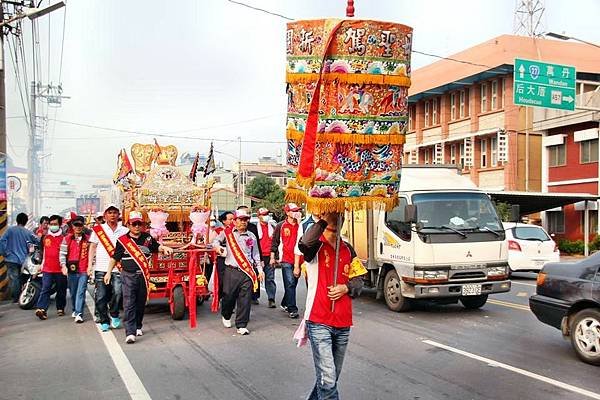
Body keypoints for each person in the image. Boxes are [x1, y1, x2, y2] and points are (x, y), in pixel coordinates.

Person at [297, 212, 367, 400]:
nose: (337, 218)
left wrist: (347, 287)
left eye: (339, 215)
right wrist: (324, 219)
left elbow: (360, 279)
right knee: (327, 380)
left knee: (329, 377)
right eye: (332, 215)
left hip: (343, 321)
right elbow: (304, 243)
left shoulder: (347, 249)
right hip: (319, 320)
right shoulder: (315, 247)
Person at [105, 211, 173, 344]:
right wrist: (108, 272)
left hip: (143, 275)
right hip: (128, 275)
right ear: (128, 225)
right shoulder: (123, 241)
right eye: (134, 224)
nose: (137, 226)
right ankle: (130, 332)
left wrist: (165, 248)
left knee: (140, 303)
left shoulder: (147, 238)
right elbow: (115, 258)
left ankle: (138, 325)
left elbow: (157, 247)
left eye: (139, 224)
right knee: (129, 303)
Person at [212, 209, 264, 335]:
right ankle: (226, 314)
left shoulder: (251, 236)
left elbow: (256, 254)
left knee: (245, 299)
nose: (243, 222)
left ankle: (241, 324)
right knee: (229, 296)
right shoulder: (227, 233)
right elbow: (215, 241)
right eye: (241, 219)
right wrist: (218, 248)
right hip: (231, 270)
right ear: (234, 221)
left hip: (247, 272)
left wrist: (260, 270)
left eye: (246, 219)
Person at [88, 204, 129, 332]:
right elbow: (92, 247)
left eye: (115, 212)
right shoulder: (98, 230)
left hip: (118, 268)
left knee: (118, 292)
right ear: (105, 215)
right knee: (101, 296)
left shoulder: (124, 231)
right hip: (101, 267)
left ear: (119, 215)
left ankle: (114, 313)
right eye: (109, 212)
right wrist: (90, 265)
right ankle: (104, 320)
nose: (112, 215)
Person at [271, 203, 303, 319]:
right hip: (286, 259)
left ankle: (285, 302)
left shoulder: (302, 225)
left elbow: (304, 238)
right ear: (287, 212)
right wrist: (272, 257)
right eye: (294, 211)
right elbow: (275, 242)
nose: (297, 213)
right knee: (289, 283)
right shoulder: (281, 226)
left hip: (299, 259)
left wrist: (300, 224)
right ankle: (292, 309)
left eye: (298, 210)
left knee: (293, 283)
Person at [0, 213, 39, 303]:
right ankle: (23, 295)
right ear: (25, 222)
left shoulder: (10, 230)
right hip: (24, 260)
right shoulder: (28, 232)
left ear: (17, 220)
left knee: (14, 279)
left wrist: (3, 253)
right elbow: (37, 240)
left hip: (11, 259)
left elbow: (1, 241)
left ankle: (16, 298)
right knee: (23, 278)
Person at [35, 215, 68, 320]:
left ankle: (60, 307)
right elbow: (42, 252)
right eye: (51, 224)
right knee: (45, 288)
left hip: (60, 268)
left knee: (61, 289)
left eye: (55, 224)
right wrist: (40, 265)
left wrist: (65, 266)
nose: (53, 226)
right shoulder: (45, 237)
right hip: (47, 268)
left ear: (60, 225)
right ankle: (42, 309)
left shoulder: (64, 238)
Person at [60, 215, 91, 323]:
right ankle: (75, 308)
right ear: (72, 226)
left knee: (80, 292)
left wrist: (90, 267)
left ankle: (79, 313)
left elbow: (92, 254)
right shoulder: (67, 238)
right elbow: (62, 254)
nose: (78, 227)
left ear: (83, 226)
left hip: (84, 270)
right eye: (76, 225)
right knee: (73, 292)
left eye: (80, 225)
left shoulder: (88, 239)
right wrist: (63, 266)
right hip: (71, 270)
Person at [237, 205, 263, 305]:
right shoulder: (232, 230)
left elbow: (256, 246)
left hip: (250, 258)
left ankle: (254, 296)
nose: (244, 220)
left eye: (246, 216)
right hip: (237, 259)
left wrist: (260, 260)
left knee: (254, 276)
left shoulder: (252, 227)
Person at [257, 207, 276, 308]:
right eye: (264, 215)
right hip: (258, 257)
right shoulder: (255, 228)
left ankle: (271, 298)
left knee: (270, 278)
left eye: (267, 214)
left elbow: (276, 241)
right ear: (259, 216)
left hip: (269, 256)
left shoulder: (272, 226)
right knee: (256, 277)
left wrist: (275, 256)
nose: (266, 217)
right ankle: (254, 296)